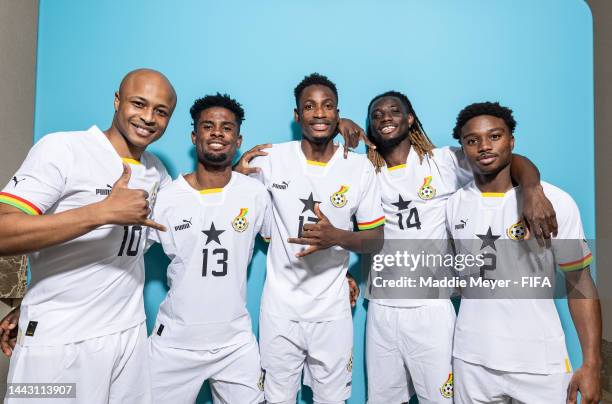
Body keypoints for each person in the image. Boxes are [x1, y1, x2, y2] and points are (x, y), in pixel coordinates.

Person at [362, 91, 559, 403]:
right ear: (370, 128)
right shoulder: (365, 172)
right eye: (376, 115)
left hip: (433, 308)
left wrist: (532, 189)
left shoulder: (443, 162)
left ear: (410, 118)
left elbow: (510, 161)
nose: (385, 117)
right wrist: (342, 125)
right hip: (383, 307)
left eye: (394, 111)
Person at [0, 69, 175, 403]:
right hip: (56, 344)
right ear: (117, 100)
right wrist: (101, 212)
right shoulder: (63, 148)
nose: (148, 118)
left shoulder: (156, 171)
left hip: (128, 338)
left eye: (161, 111)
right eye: (139, 103)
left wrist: (235, 178)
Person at [236, 73, 384, 404]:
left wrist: (338, 237)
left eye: (328, 106)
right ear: (297, 115)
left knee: (331, 399)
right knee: (277, 398)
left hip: (332, 311)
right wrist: (235, 172)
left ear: (338, 113)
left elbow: (375, 240)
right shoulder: (270, 159)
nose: (319, 113)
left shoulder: (359, 168)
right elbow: (236, 211)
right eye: (310, 106)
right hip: (280, 309)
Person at [446, 101, 601, 404]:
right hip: (471, 361)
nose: (484, 146)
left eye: (495, 136)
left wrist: (593, 365)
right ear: (463, 148)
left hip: (539, 363)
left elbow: (580, 283)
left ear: (512, 141)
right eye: (472, 140)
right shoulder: (454, 204)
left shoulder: (554, 201)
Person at [145, 93, 269, 403]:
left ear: (238, 139)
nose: (217, 133)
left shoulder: (254, 194)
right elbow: (123, 257)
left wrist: (338, 272)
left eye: (226, 127)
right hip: (174, 343)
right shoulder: (166, 197)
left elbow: (284, 246)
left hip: (235, 344)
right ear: (194, 135)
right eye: (208, 126)